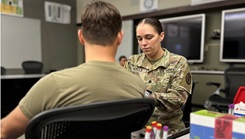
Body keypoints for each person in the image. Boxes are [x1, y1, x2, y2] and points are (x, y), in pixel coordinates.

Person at [0, 1, 146, 138]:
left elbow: (4, 132)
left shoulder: (54, 84)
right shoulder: (138, 85)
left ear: (81, 36)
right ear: (120, 37)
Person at [124, 17, 192, 133]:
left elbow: (178, 99)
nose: (144, 43)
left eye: (149, 37)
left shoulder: (178, 62)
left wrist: (146, 96)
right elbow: (124, 92)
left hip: (168, 129)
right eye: (139, 39)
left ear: (161, 36)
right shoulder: (132, 62)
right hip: (139, 128)